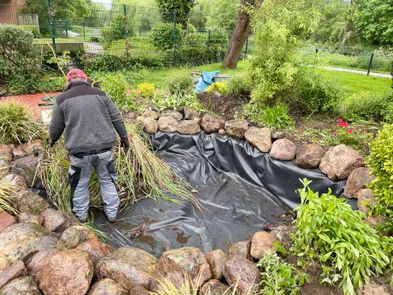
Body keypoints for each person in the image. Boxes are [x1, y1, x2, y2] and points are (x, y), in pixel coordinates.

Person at [49, 69, 129, 223]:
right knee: (107, 180)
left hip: (80, 153)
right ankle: (112, 215)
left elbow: (55, 127)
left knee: (80, 183)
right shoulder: (101, 94)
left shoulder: (61, 99)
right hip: (104, 150)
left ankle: (81, 217)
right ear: (86, 79)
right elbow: (117, 119)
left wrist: (52, 141)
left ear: (68, 82)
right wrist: (125, 139)